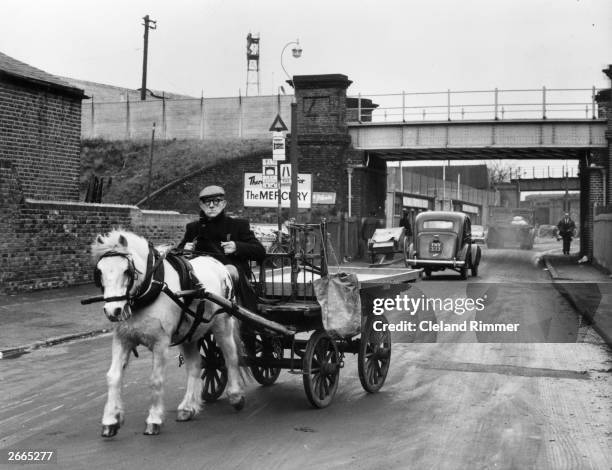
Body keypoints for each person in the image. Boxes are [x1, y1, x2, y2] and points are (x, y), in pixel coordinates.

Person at [177, 185, 265, 310]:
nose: (211, 205)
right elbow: (178, 253)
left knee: (230, 270)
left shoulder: (238, 225)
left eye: (216, 201)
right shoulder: (193, 228)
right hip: (200, 277)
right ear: (201, 205)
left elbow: (260, 251)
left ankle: (245, 318)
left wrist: (237, 247)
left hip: (231, 275)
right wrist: (184, 250)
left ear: (224, 204)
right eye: (207, 202)